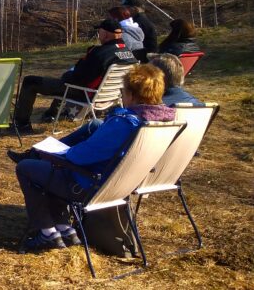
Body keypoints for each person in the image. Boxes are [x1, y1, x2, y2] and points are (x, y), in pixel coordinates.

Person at [13, 64, 175, 253]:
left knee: (26, 168)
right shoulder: (160, 123)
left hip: (90, 186)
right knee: (50, 167)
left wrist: (58, 153)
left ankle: (47, 232)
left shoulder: (123, 124)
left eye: (123, 91)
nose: (122, 95)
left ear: (131, 94)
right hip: (122, 185)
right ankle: (65, 229)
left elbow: (79, 157)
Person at [11, 20, 137, 133]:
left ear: (105, 34)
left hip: (84, 93)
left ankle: (21, 124)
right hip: (111, 96)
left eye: (99, 31)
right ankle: (51, 114)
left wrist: (67, 75)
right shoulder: (129, 54)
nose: (98, 34)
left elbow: (78, 77)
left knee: (30, 81)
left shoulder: (99, 53)